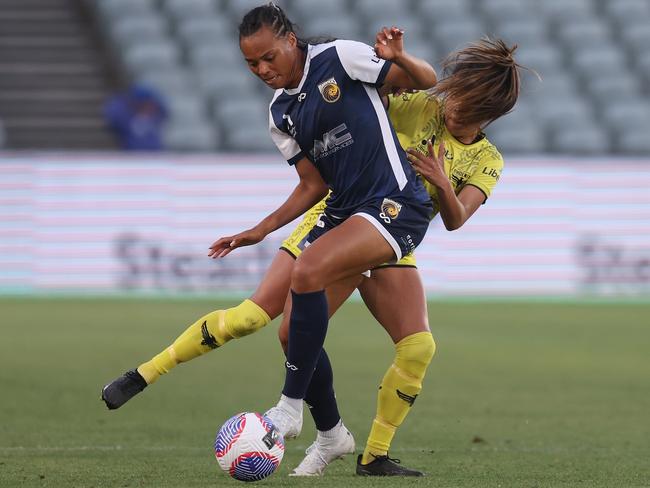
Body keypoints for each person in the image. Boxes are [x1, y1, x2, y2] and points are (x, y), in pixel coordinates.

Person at [102, 4, 525, 477]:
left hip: (392, 228)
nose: (453, 105)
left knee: (417, 346)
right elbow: (376, 101)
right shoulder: (415, 103)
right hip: (347, 214)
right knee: (273, 326)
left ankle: (371, 453)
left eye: (466, 104)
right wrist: (263, 225)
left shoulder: (487, 160)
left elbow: (456, 219)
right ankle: (324, 434)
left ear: (489, 115)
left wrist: (442, 182)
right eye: (454, 94)